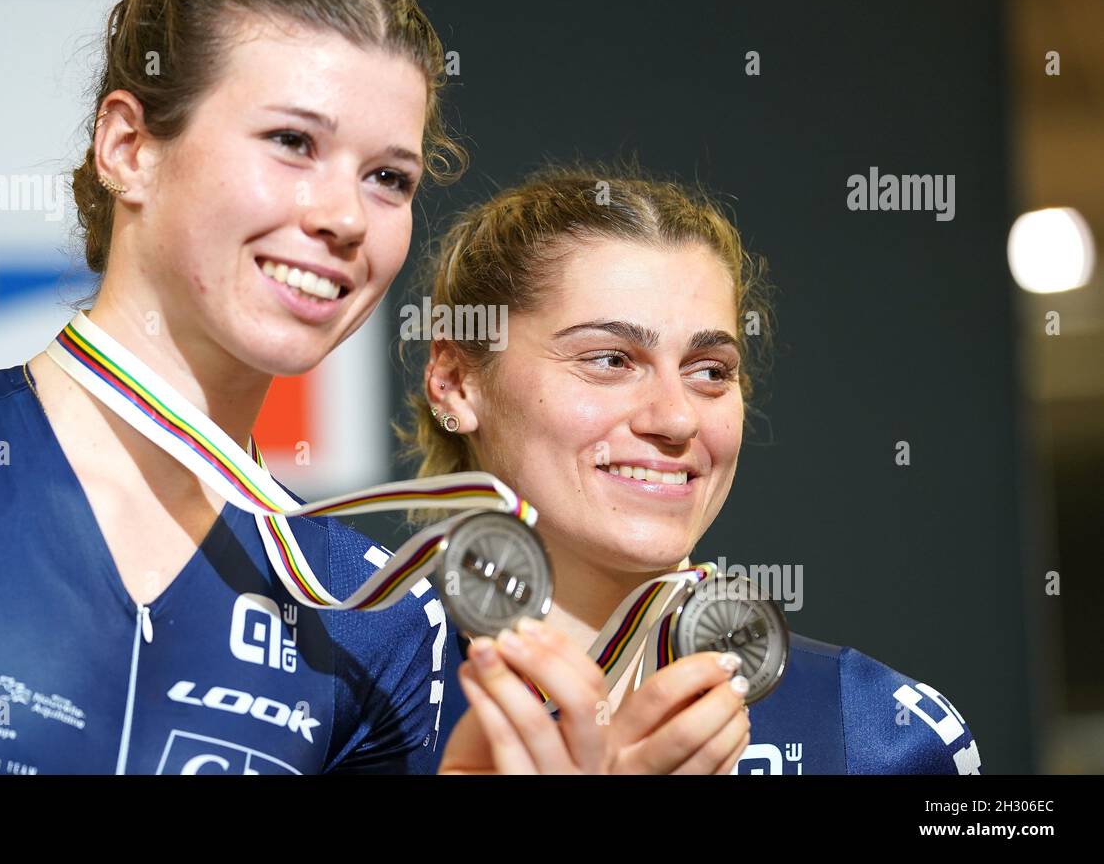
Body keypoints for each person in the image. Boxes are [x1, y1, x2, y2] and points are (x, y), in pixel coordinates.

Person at [0, 0, 466, 775]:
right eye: (293, 143)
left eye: (389, 179)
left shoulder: (375, 617)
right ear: (129, 147)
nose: (344, 218)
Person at [398, 164, 983, 774]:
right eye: (610, 359)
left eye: (709, 370)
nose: (676, 419)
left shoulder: (871, 733)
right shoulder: (348, 700)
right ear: (457, 381)